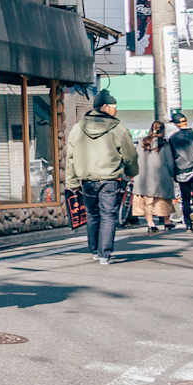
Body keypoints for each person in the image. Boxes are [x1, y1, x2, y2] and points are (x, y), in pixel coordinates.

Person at [65, 90, 139, 264]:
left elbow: (70, 157)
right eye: (114, 106)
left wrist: (71, 181)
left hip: (87, 179)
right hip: (110, 179)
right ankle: (105, 254)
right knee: (108, 215)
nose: (116, 110)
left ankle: (95, 250)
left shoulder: (78, 128)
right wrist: (131, 172)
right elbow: (130, 155)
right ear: (105, 107)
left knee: (92, 214)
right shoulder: (118, 129)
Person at [132, 120, 176, 233]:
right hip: (161, 176)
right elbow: (170, 161)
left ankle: (151, 224)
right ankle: (167, 222)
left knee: (148, 201)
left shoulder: (142, 142)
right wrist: (172, 173)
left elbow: (135, 159)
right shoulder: (164, 144)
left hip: (143, 177)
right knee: (164, 200)